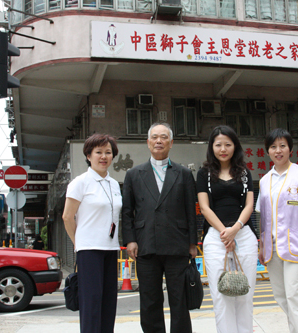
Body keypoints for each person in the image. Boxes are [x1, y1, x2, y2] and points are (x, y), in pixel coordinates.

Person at [122, 122, 198, 333]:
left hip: (177, 244)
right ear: (148, 143)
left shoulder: (183, 173)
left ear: (171, 143)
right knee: (149, 301)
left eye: (163, 137)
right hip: (146, 244)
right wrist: (130, 240)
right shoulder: (134, 174)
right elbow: (127, 211)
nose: (159, 141)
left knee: (179, 300)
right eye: (154, 137)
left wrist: (193, 242)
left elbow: (190, 210)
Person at [256, 128, 298, 333]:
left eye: (282, 146)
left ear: (290, 149)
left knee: (296, 296)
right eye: (273, 147)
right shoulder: (264, 181)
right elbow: (263, 216)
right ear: (267, 151)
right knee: (281, 296)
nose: (278, 151)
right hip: (272, 248)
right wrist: (261, 245)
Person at [196, 125, 258, 333]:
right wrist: (226, 232)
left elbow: (250, 205)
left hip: (244, 235)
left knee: (244, 295)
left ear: (235, 146)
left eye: (228, 144)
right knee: (221, 296)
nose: (223, 149)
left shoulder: (244, 173)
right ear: (212, 147)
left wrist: (236, 228)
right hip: (216, 237)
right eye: (218, 144)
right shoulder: (204, 174)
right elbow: (204, 207)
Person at [62, 133, 122, 333]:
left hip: (110, 249)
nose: (103, 156)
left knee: (108, 302)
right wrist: (79, 243)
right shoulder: (80, 182)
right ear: (88, 155)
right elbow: (67, 217)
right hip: (89, 250)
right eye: (98, 152)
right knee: (91, 303)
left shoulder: (113, 184)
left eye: (108, 152)